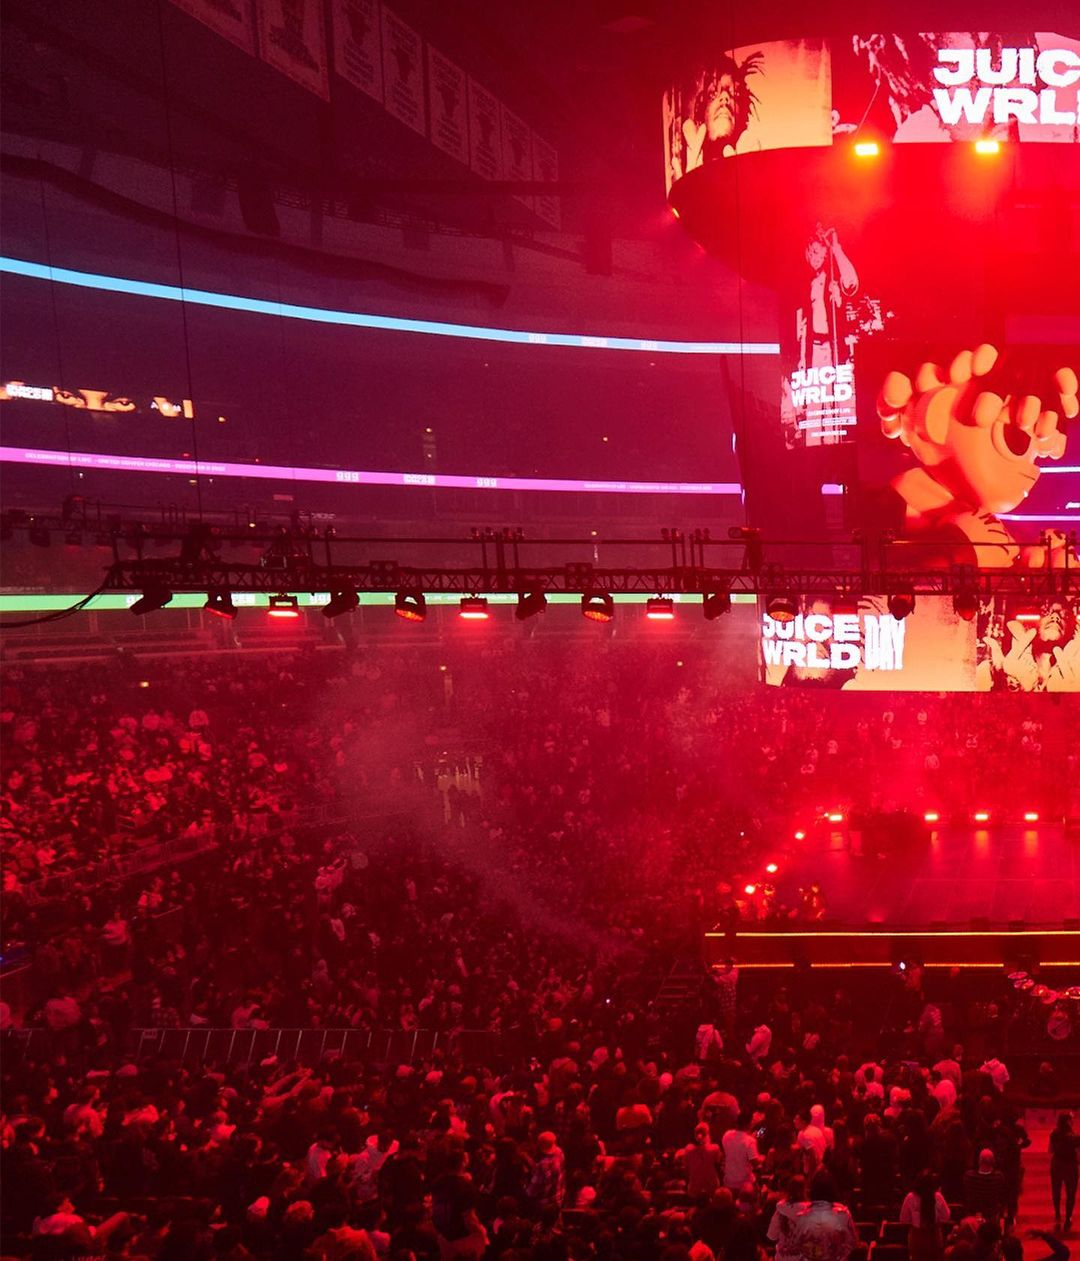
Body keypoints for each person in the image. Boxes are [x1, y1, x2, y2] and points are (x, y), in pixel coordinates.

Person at [786, 1169, 859, 1261]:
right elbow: (853, 1243)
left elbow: (793, 1246)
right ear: (833, 1189)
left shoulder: (800, 1217)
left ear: (812, 1190)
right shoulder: (843, 1214)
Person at [900, 1171, 952, 1261]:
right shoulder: (937, 1196)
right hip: (934, 1236)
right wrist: (938, 1218)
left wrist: (914, 1219)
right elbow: (947, 1216)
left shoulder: (910, 1197)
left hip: (917, 1236)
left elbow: (903, 1219)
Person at [1049, 1112, 1080, 1232]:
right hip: (1070, 1165)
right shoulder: (1073, 1137)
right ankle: (1068, 1217)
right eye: (1071, 1119)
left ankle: (1057, 1214)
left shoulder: (1054, 1134)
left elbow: (1050, 1150)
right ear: (1068, 1121)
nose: (1073, 1121)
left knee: (1056, 1190)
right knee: (1070, 1193)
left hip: (1057, 1164)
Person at [963, 1149, 1008, 1225]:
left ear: (979, 1161)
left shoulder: (969, 1176)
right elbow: (1002, 1197)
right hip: (991, 1215)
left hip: (972, 1214)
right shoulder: (998, 1177)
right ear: (993, 1162)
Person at [680, 1123, 723, 1199]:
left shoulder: (688, 1150)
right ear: (708, 1135)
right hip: (712, 1188)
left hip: (694, 1189)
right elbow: (718, 1168)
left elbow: (686, 1170)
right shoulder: (715, 1149)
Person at [722, 1113, 761, 1195]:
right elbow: (755, 1163)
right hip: (745, 1184)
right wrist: (762, 1158)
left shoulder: (727, 1135)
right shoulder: (750, 1141)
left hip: (729, 1181)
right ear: (749, 1124)